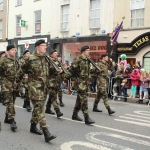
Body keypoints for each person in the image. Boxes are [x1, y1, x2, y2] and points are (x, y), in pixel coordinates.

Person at [17, 40, 56, 142]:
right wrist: (17, 81)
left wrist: (57, 70)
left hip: (44, 88)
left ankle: (33, 126)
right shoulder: (30, 59)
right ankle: (46, 132)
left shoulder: (47, 58)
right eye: (43, 46)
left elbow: (50, 72)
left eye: (45, 46)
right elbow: (21, 71)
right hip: (34, 88)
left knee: (38, 108)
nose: (45, 47)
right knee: (39, 108)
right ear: (37, 47)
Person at [64, 46, 95, 125]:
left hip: (85, 82)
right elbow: (71, 71)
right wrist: (65, 80)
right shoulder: (78, 60)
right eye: (88, 50)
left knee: (79, 99)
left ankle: (74, 114)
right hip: (79, 82)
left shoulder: (87, 60)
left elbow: (88, 72)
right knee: (84, 99)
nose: (89, 52)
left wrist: (89, 79)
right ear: (83, 51)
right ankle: (86, 117)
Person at [0, 45, 18, 131]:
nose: (14, 51)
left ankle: (7, 118)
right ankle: (12, 120)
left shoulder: (15, 61)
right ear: (7, 51)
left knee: (12, 101)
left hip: (14, 85)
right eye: (12, 50)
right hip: (6, 84)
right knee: (10, 102)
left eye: (15, 50)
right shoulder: (3, 61)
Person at [45, 49, 63, 117]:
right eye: (55, 53)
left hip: (56, 81)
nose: (56, 54)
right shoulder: (49, 60)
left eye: (56, 53)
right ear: (51, 54)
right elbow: (49, 70)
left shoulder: (56, 61)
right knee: (53, 96)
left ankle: (47, 108)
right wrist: (57, 70)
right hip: (50, 82)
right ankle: (57, 111)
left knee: (52, 96)